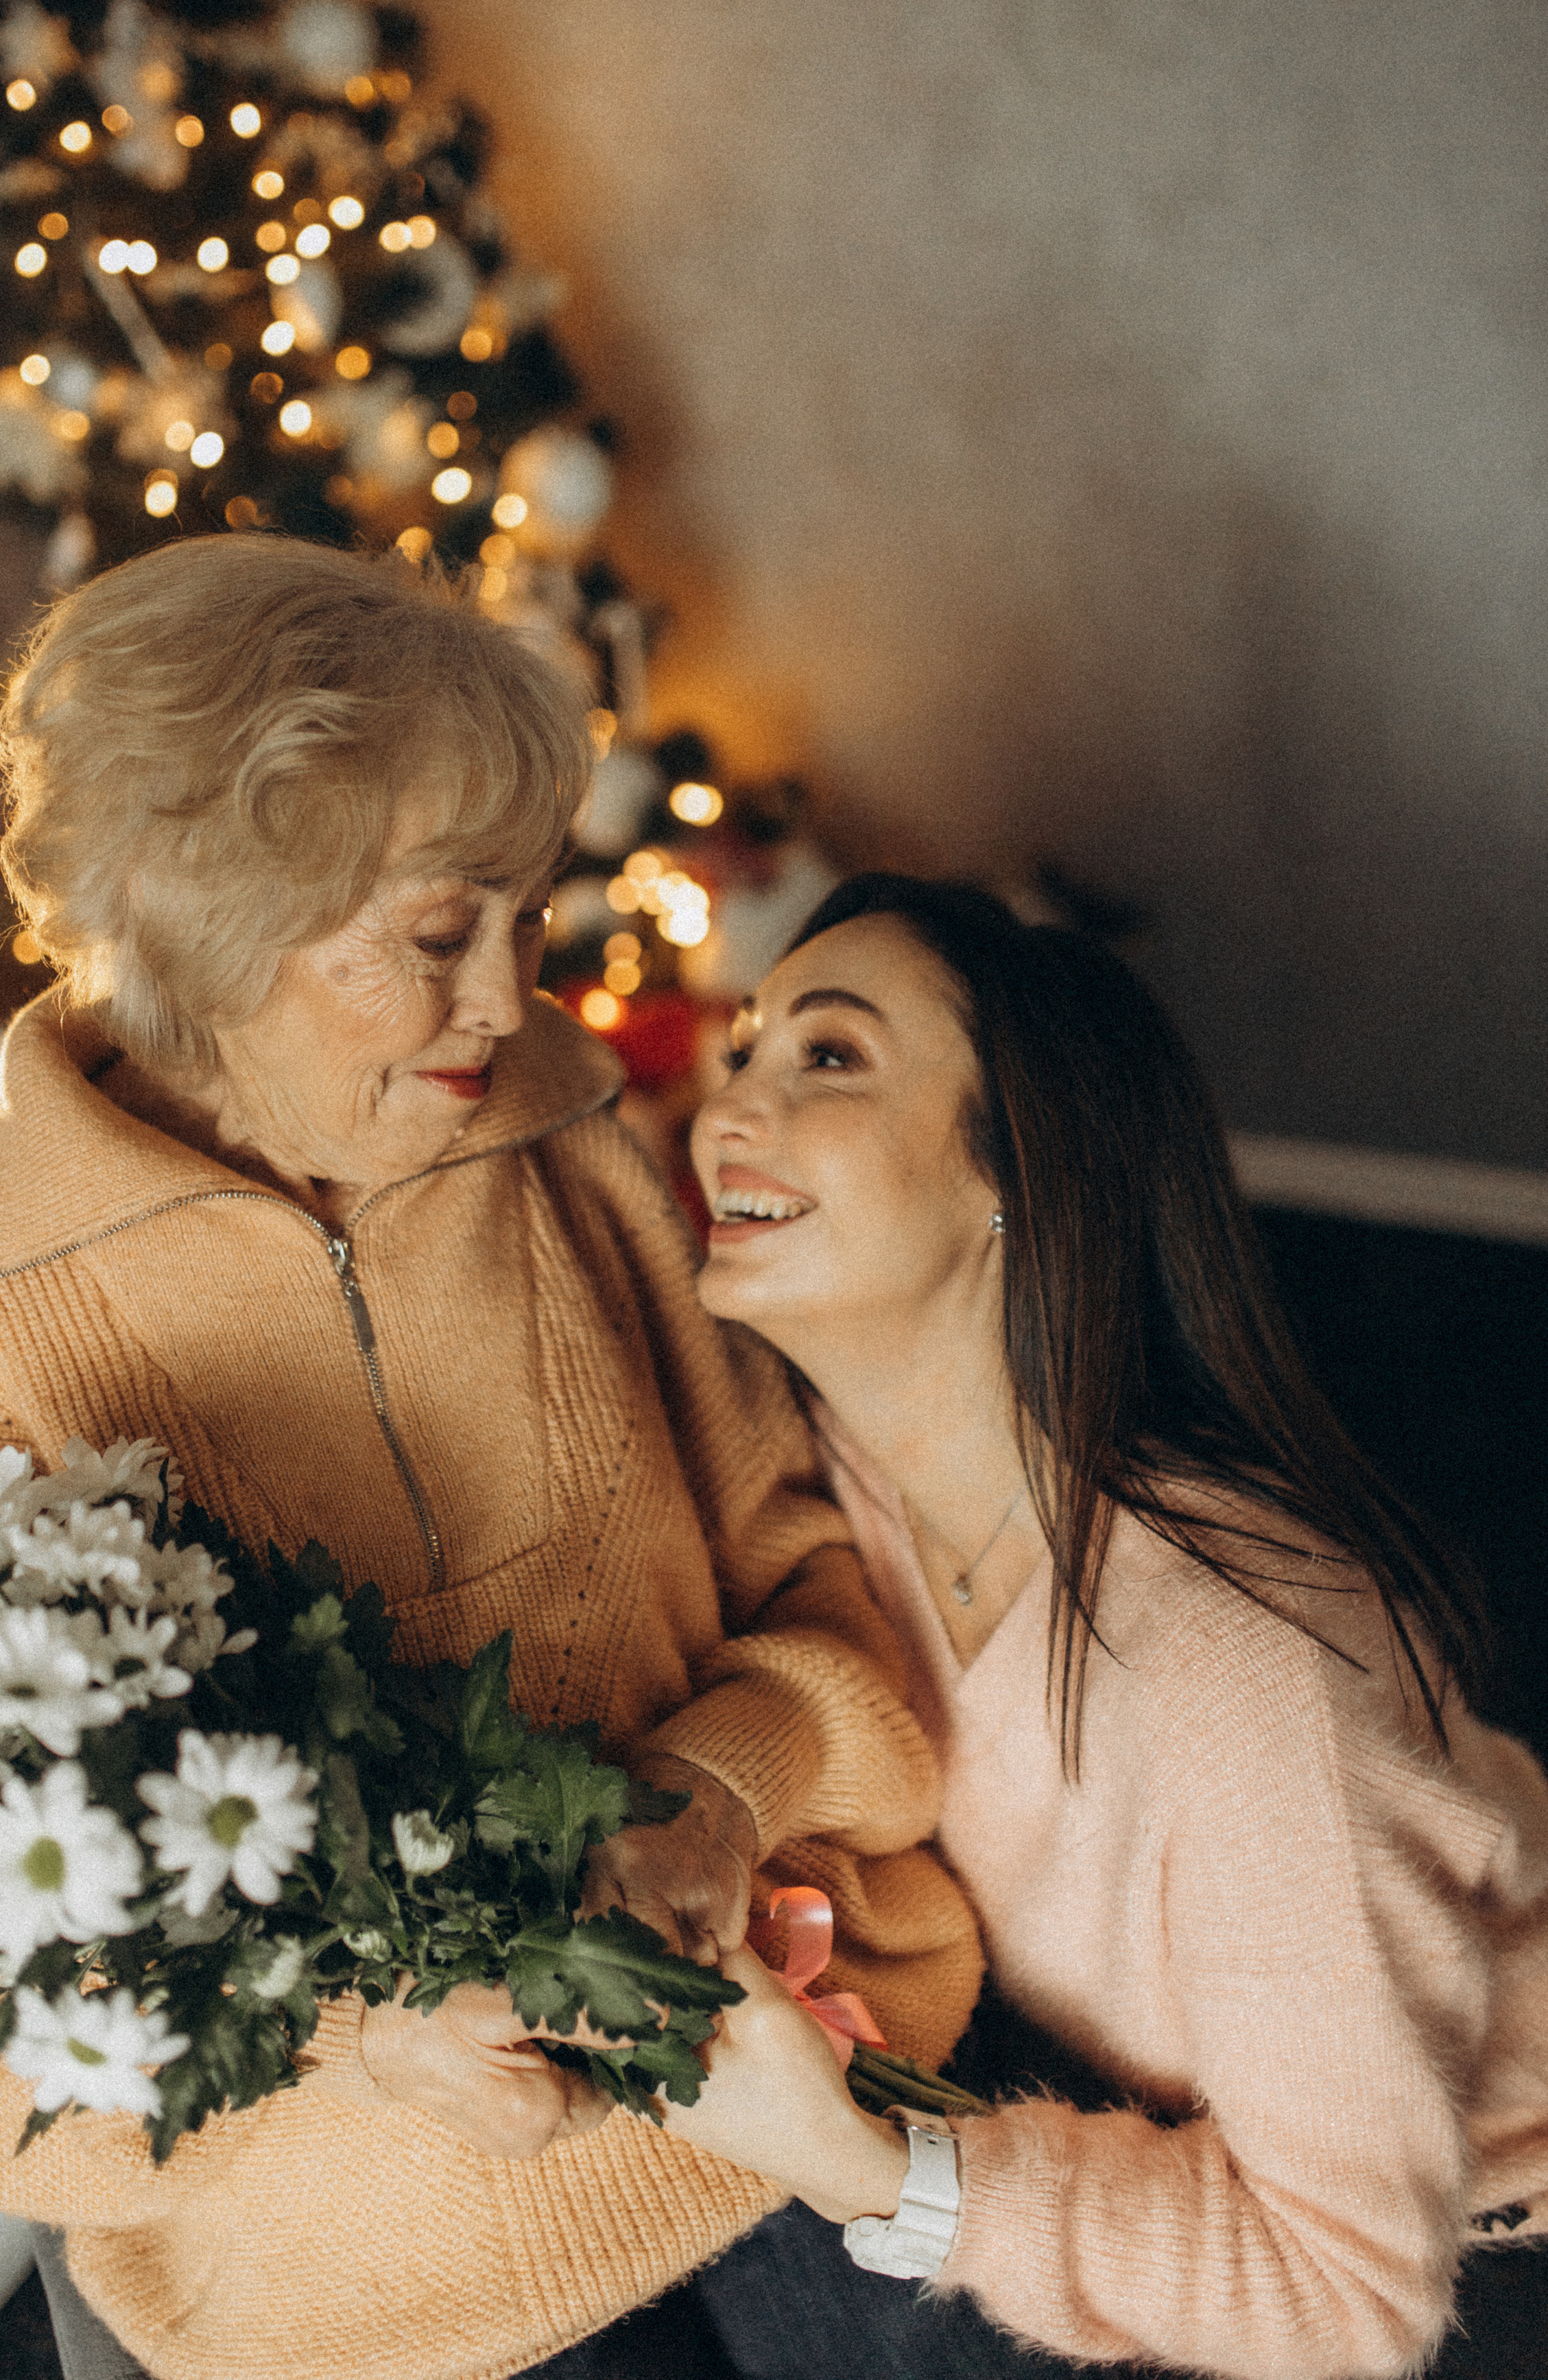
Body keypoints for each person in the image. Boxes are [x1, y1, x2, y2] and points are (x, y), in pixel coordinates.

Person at [0, 556, 983, 2380]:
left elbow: (824, 1578)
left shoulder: (571, 1131)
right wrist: (358, 2035)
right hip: (361, 2292)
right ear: (195, 912)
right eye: (441, 935)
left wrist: (719, 1782)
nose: (508, 997)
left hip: (789, 2074)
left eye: (528, 920)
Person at [663, 874, 1548, 2380]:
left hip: (1454, 2248)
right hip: (1159, 2111)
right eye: (742, 1051)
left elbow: (1348, 2300)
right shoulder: (839, 1464)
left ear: (1012, 1167)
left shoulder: (1237, 1671)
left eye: (825, 1056)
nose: (719, 1111)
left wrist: (883, 2169)